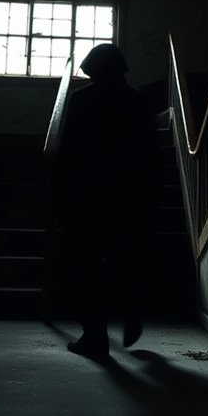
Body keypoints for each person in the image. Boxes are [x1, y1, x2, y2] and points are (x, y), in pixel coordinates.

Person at [54, 43, 161, 360]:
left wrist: (61, 200)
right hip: (130, 198)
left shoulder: (83, 99)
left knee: (86, 268)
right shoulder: (140, 102)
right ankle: (130, 316)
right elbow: (153, 157)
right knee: (126, 260)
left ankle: (95, 337)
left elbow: (68, 154)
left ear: (93, 69)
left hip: (89, 198)